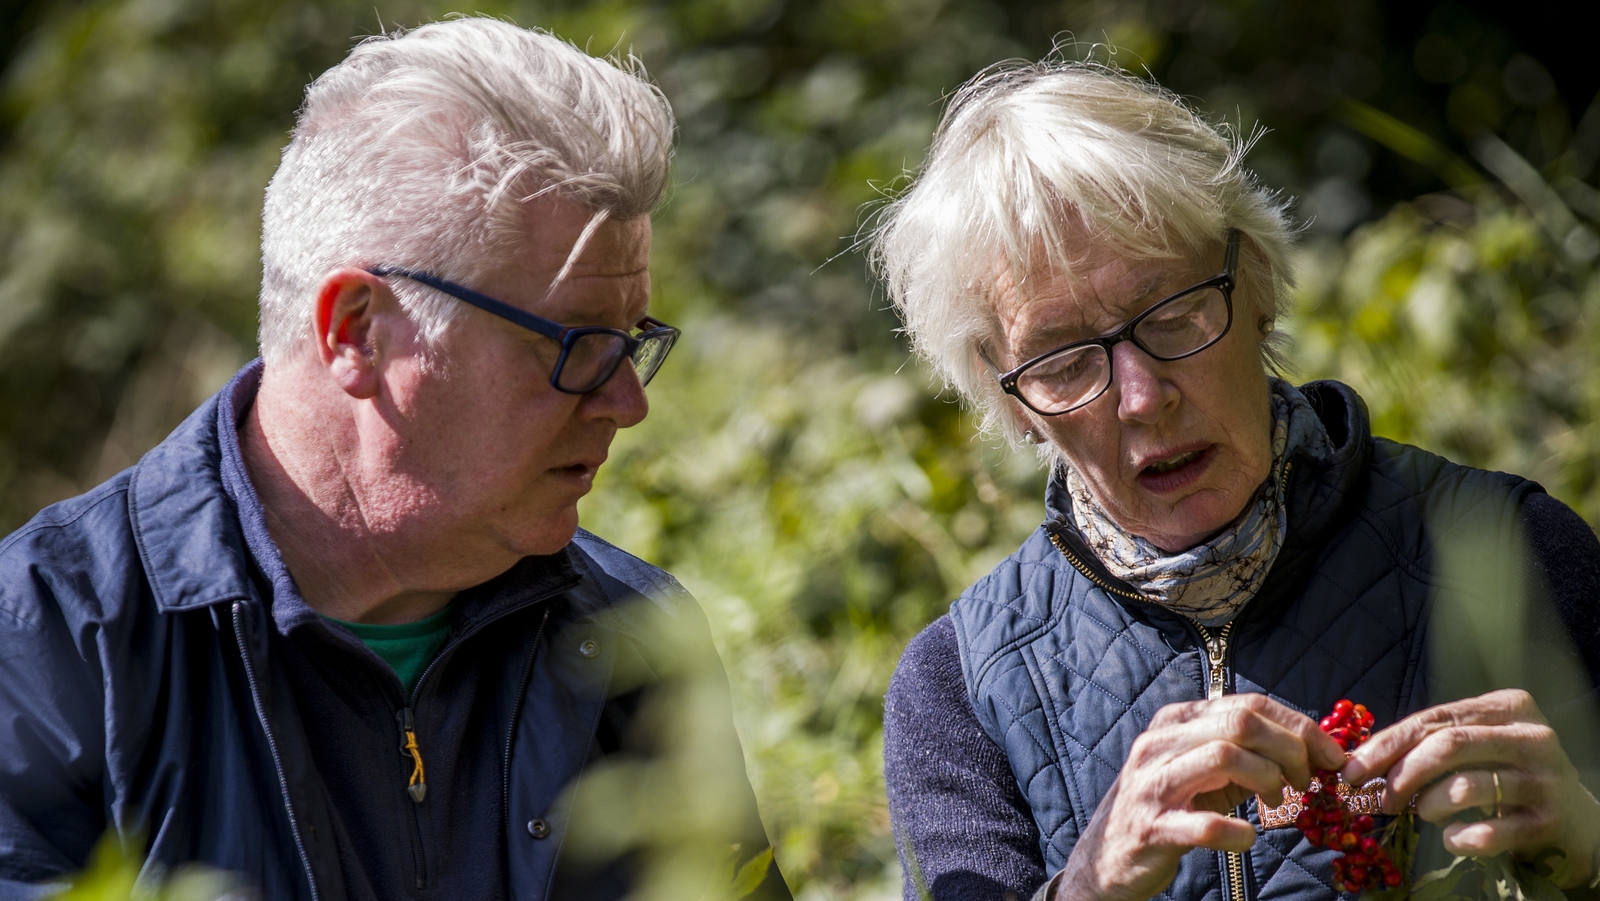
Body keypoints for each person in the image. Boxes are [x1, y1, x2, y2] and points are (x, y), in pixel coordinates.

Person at [0, 19, 788, 901]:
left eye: (629, 344)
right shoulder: (48, 640)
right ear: (356, 332)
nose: (626, 401)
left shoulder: (633, 635)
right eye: (575, 346)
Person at [870, 61, 1600, 901]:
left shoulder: (1516, 550)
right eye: (1066, 361)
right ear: (1012, 397)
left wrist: (1585, 848)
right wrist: (1087, 885)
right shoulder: (959, 688)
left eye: (1175, 314)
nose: (1143, 398)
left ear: (1254, 284)